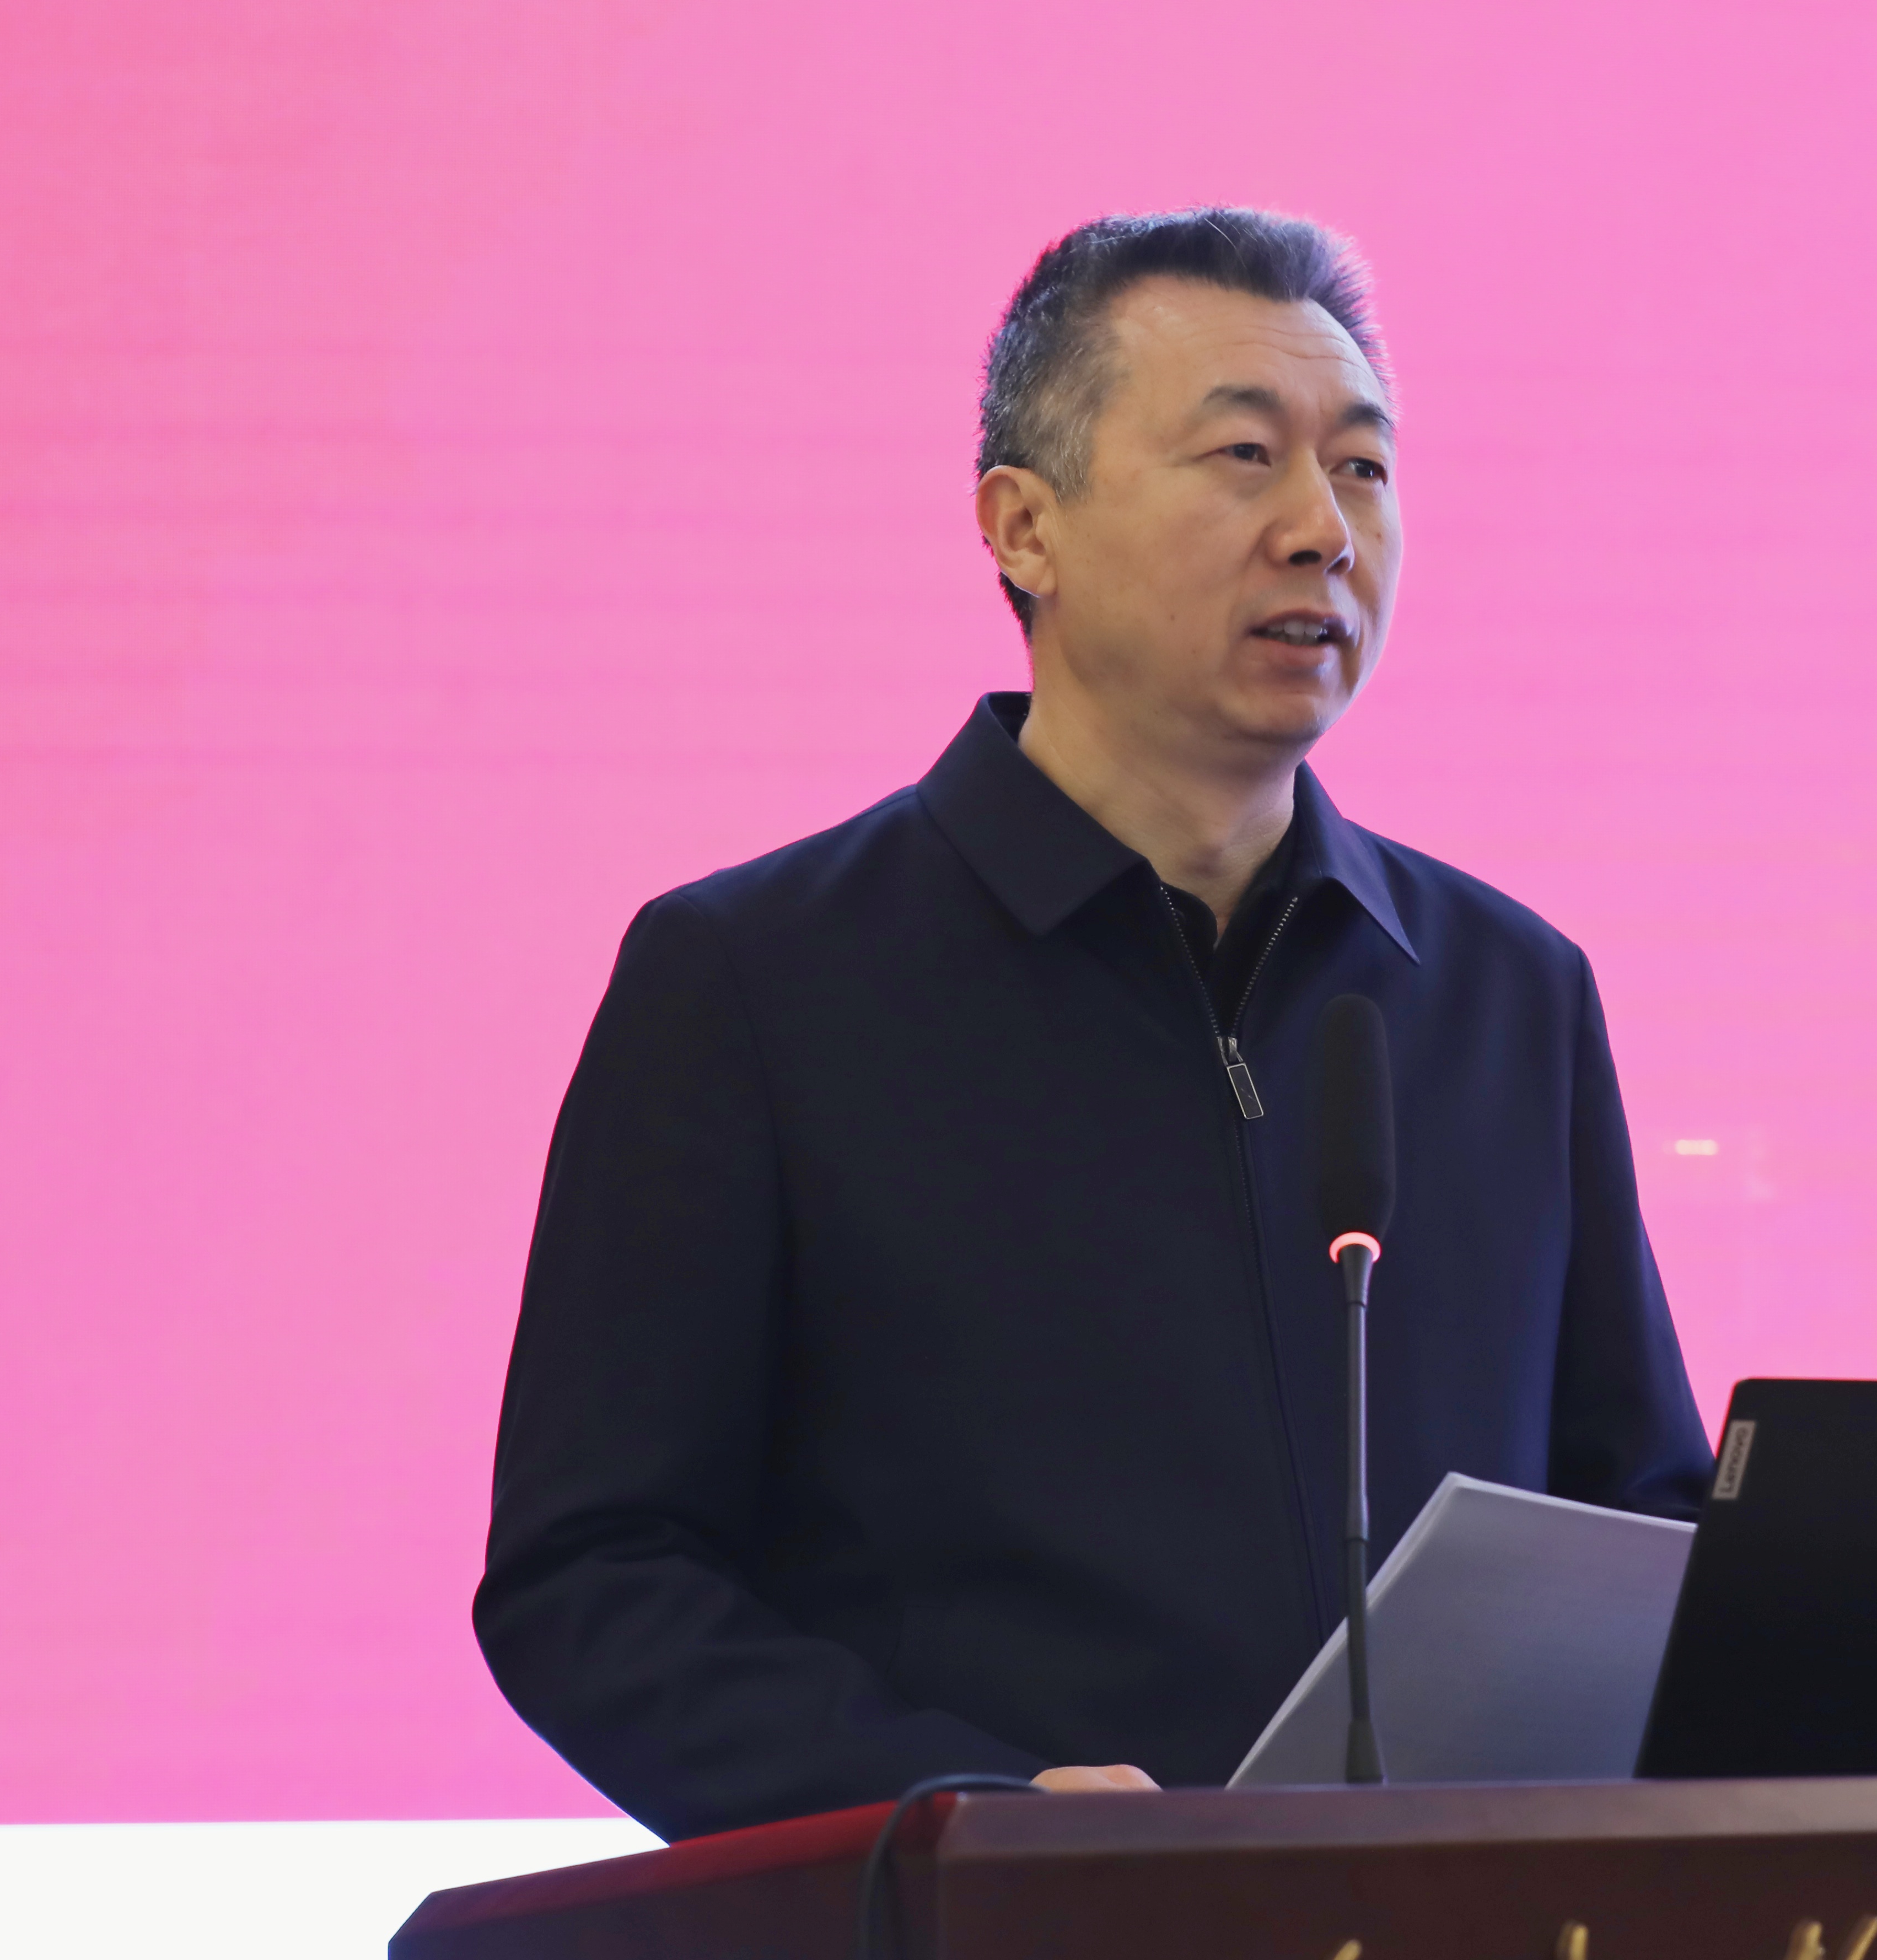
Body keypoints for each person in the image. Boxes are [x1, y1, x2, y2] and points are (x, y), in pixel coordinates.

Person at [477, 208, 1709, 1839]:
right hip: (1001, 1957)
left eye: (1362, 468)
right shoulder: (758, 983)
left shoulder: (1506, 992)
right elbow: (595, 1579)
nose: (1321, 530)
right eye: (1243, 457)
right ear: (1025, 528)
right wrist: (963, 1813)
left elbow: (1640, 1524)